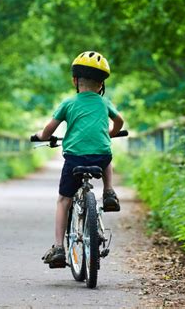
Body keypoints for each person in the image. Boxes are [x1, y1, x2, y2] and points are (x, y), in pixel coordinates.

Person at [33, 51, 124, 267]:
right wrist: (110, 133)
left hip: (74, 159)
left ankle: (58, 248)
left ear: (75, 80)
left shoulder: (68, 103)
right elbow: (119, 121)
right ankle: (108, 191)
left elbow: (48, 131)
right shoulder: (104, 103)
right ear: (101, 83)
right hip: (101, 157)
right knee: (105, 152)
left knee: (64, 200)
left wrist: (40, 137)